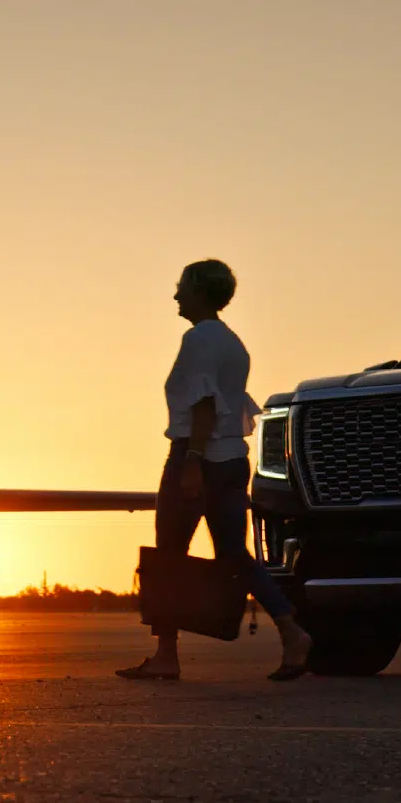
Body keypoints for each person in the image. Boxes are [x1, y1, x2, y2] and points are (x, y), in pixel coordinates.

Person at [117, 260, 313, 682]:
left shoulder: (199, 340)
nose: (175, 296)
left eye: (181, 287)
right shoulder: (233, 343)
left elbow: (204, 404)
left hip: (197, 456)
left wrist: (191, 462)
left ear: (199, 292)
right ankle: (291, 631)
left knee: (168, 556)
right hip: (230, 461)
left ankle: (166, 655)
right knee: (233, 556)